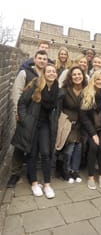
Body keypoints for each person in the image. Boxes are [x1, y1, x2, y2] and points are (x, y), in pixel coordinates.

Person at [13, 64, 62, 198]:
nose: (51, 73)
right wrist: (24, 120)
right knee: (32, 153)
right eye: (49, 71)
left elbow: (57, 110)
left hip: (46, 125)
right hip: (32, 124)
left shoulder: (57, 90)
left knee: (46, 153)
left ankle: (47, 184)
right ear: (44, 73)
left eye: (54, 71)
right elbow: (22, 103)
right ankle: (34, 183)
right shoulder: (36, 86)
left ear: (56, 74)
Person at [7, 49, 49, 188]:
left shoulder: (48, 75)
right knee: (20, 144)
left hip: (39, 117)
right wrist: (18, 113)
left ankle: (31, 173)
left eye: (44, 59)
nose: (42, 61)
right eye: (40, 58)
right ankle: (15, 173)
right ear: (34, 59)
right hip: (25, 114)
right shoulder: (25, 73)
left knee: (35, 146)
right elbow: (17, 92)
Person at [80, 70, 101, 190]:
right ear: (93, 80)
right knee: (93, 147)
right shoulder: (86, 94)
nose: (100, 82)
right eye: (98, 79)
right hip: (90, 130)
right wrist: (93, 134)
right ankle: (90, 176)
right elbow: (84, 117)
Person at [59, 66, 89, 184]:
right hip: (68, 123)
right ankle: (65, 171)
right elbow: (59, 107)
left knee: (78, 148)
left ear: (83, 76)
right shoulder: (65, 89)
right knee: (69, 149)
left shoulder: (86, 90)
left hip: (81, 124)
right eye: (74, 74)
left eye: (79, 74)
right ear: (70, 77)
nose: (77, 76)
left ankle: (75, 170)